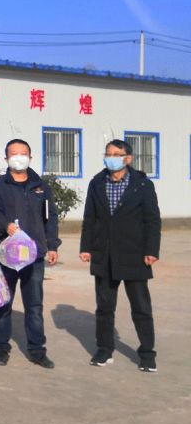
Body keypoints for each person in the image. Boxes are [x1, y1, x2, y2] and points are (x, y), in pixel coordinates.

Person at [79, 139, 161, 372]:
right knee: (104, 307)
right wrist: (86, 247)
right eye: (108, 154)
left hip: (134, 254)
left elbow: (152, 220)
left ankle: (147, 354)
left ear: (128, 158)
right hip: (104, 254)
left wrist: (151, 250)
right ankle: (104, 349)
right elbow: (90, 217)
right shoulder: (97, 183)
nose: (111, 158)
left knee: (141, 307)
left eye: (117, 154)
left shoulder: (142, 184)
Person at [0, 139, 60, 368]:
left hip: (33, 256)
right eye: (14, 153)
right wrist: (4, 225)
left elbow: (50, 217)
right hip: (6, 255)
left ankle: (37, 350)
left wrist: (52, 245)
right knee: (3, 303)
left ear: (30, 157)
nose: (19, 157)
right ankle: (0, 349)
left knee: (34, 306)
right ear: (6, 158)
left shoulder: (41, 187)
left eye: (23, 153)